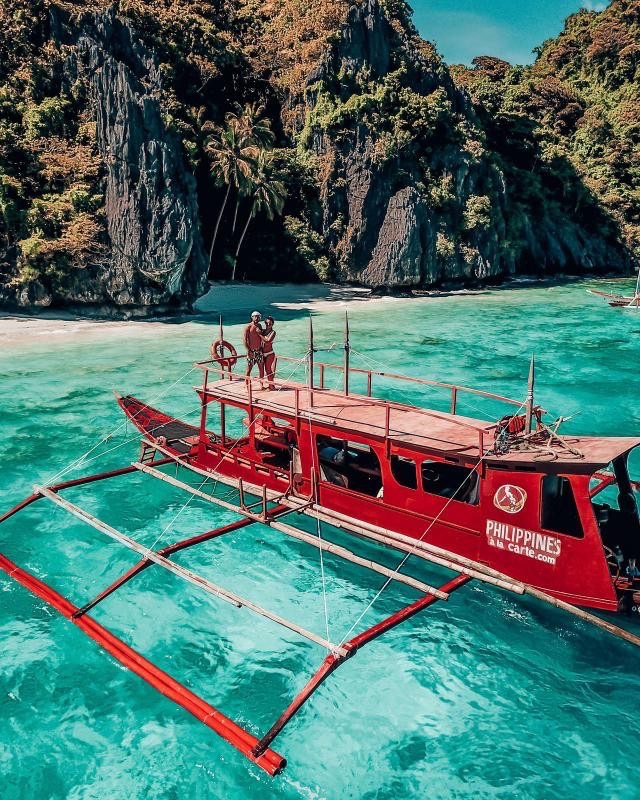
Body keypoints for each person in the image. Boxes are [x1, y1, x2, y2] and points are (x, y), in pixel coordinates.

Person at [244, 311, 265, 383]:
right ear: (252, 317)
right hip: (251, 351)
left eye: (258, 316)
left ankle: (261, 385)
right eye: (255, 316)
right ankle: (247, 386)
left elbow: (260, 337)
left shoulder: (259, 326)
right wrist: (249, 350)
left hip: (259, 351)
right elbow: (245, 340)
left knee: (261, 369)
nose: (256, 318)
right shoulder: (248, 326)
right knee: (249, 369)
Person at [261, 316, 277, 390]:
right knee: (262, 370)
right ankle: (265, 385)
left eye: (269, 324)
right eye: (266, 323)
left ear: (272, 324)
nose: (268, 325)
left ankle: (272, 386)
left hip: (269, 353)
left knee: (268, 370)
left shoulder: (273, 332)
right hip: (262, 353)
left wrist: (259, 334)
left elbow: (268, 341)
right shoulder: (263, 331)